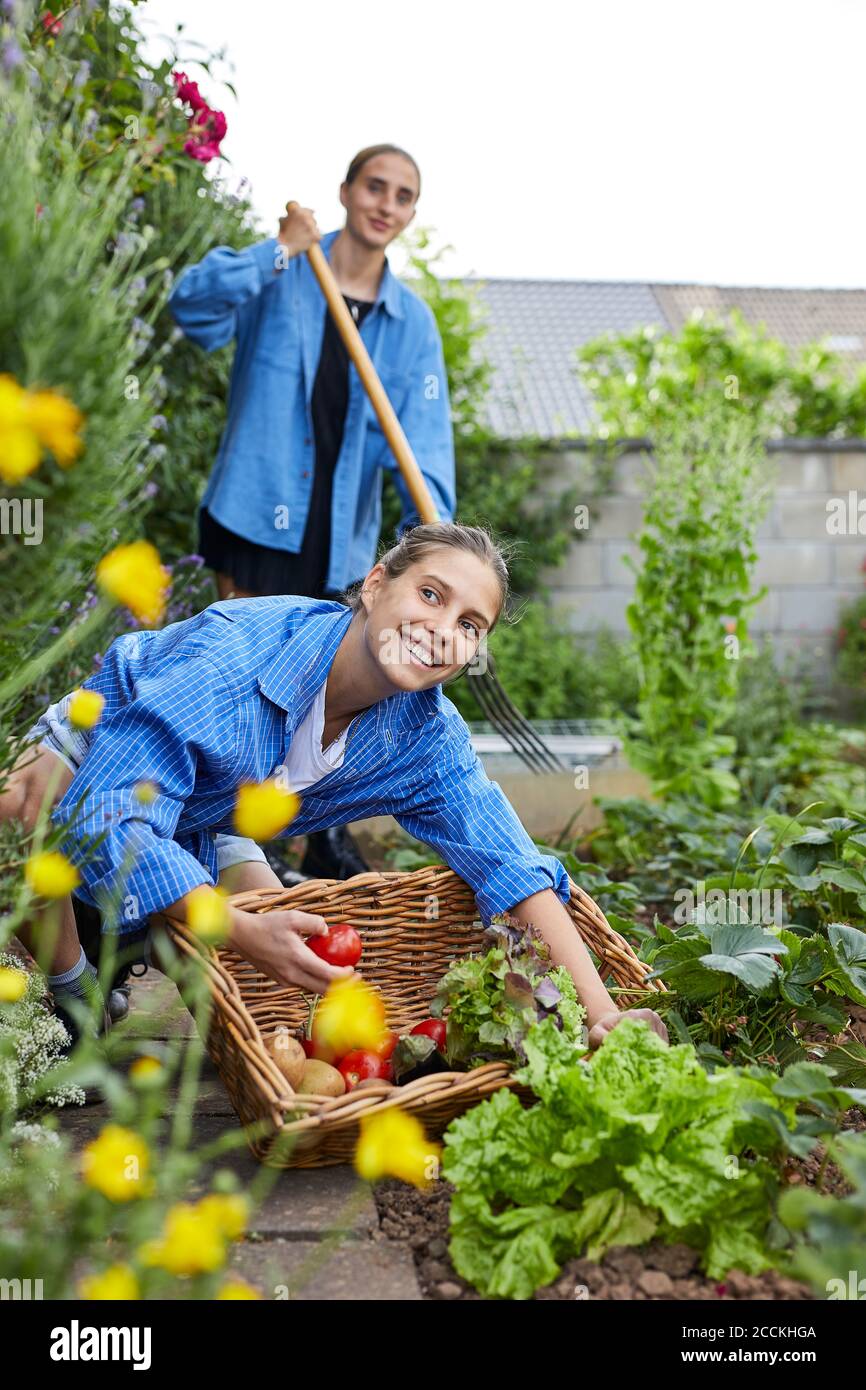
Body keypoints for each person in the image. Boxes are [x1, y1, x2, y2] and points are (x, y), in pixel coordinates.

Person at [2, 522, 668, 1053]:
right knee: (28, 811)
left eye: (470, 625)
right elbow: (109, 808)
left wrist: (601, 1012)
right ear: (376, 584)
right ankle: (78, 997)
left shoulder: (425, 737)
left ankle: (150, 929)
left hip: (219, 808)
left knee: (278, 1000)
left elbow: (510, 864)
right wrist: (235, 927)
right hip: (102, 755)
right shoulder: (236, 659)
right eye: (431, 595)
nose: (443, 630)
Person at [168, 143, 456, 883]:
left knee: (331, 690)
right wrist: (277, 250)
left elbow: (422, 448)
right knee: (249, 688)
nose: (385, 205)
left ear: (410, 213)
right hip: (252, 514)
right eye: (374, 187)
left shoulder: (410, 323)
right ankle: (230, 840)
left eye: (402, 195)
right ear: (348, 191)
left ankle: (321, 835)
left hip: (338, 539)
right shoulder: (288, 272)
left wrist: (441, 546)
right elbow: (192, 308)